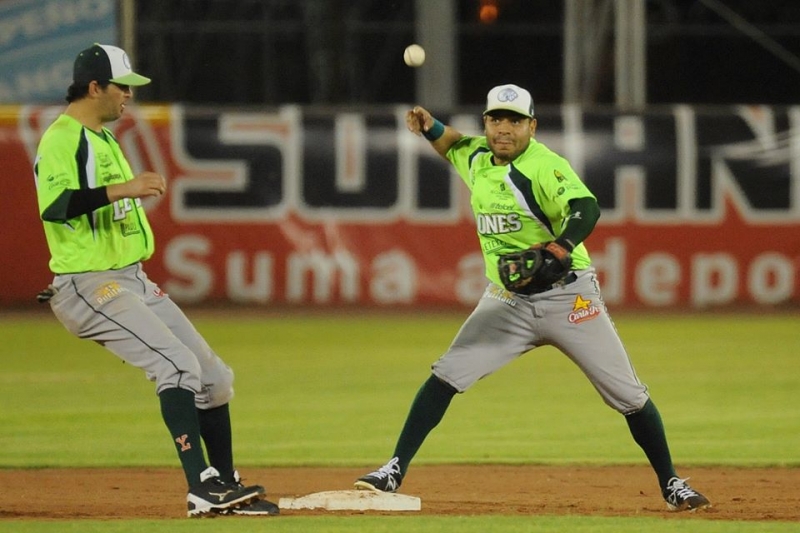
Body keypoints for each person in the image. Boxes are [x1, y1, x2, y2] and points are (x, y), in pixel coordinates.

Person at [354, 84, 710, 512]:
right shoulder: (476, 155)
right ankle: (392, 468)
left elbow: (586, 208)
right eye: (496, 119)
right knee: (446, 376)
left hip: (570, 297)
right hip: (507, 301)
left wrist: (559, 248)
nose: (504, 129)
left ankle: (672, 483)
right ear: (485, 123)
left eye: (515, 121)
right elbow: (452, 145)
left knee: (629, 395)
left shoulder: (543, 166)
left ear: (532, 126)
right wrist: (431, 127)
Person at [32, 43, 279, 518]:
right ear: (94, 87)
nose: (129, 95)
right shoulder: (63, 138)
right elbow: (55, 206)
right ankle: (200, 488)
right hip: (92, 282)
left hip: (131, 278)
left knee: (215, 379)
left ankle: (227, 486)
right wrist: (122, 189)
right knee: (177, 366)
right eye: (122, 86)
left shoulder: (104, 138)